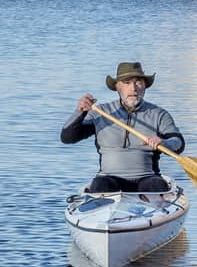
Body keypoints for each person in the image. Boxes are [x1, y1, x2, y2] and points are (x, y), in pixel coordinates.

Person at [61, 61, 187, 193]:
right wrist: (80, 112)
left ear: (144, 86)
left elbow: (179, 143)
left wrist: (164, 142)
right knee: (99, 184)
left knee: (157, 185)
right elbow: (67, 137)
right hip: (108, 179)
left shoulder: (159, 114)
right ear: (117, 87)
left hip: (147, 179)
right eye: (127, 82)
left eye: (138, 82)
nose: (133, 88)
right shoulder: (100, 112)